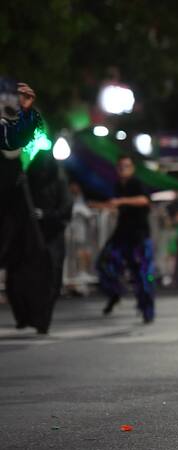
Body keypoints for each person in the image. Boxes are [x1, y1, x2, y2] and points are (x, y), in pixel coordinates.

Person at [0, 80, 54, 333]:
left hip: (14, 200)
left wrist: (26, 112)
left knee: (30, 256)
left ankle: (35, 316)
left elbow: (17, 139)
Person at [16, 151, 73, 334]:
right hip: (32, 237)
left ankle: (43, 320)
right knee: (29, 278)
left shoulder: (59, 182)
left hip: (53, 237)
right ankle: (29, 316)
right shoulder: (28, 182)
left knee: (52, 278)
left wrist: (46, 215)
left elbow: (65, 208)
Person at [95, 155, 156, 323]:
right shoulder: (117, 186)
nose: (123, 169)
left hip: (139, 236)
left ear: (132, 168)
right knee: (104, 264)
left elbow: (144, 200)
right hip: (122, 234)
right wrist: (102, 206)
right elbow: (116, 206)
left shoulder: (136, 183)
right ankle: (115, 293)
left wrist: (121, 201)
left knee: (143, 274)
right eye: (121, 166)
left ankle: (147, 310)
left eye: (127, 166)